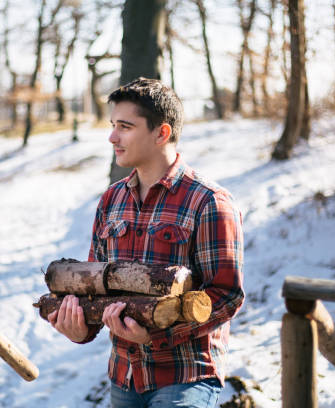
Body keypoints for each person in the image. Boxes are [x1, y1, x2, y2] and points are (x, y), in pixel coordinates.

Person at [48, 77, 244, 408]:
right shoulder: (111, 200)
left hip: (185, 376)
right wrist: (78, 326)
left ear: (161, 133)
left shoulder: (209, 201)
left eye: (125, 126)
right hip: (124, 374)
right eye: (113, 125)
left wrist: (157, 334)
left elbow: (226, 296)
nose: (112, 137)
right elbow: (96, 287)